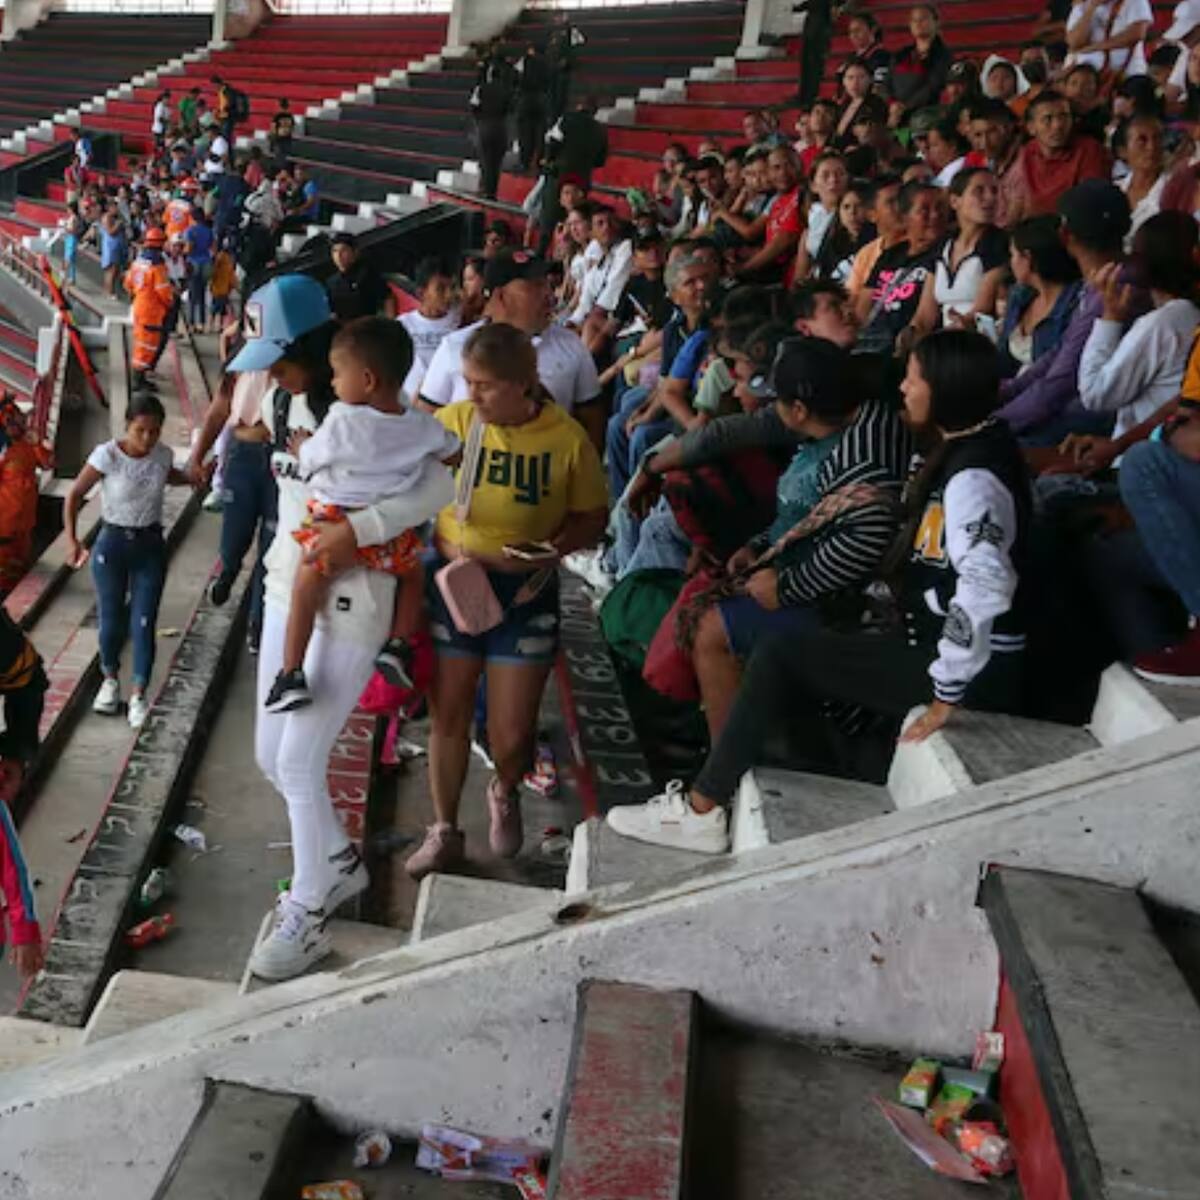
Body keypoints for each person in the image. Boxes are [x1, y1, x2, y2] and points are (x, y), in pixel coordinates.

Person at [606, 330, 1030, 852]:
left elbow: (986, 582)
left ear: (943, 392)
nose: (903, 391)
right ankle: (718, 792)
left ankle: (706, 806)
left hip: (963, 666)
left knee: (775, 647)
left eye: (914, 380)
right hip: (934, 645)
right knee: (781, 651)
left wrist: (947, 691)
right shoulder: (961, 449)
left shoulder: (972, 479)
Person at [225, 276, 452, 980]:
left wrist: (361, 531)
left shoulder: (375, 411)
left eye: (279, 355)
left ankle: (311, 910)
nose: (269, 370)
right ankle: (336, 865)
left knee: (299, 761)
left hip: (355, 593)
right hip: (288, 584)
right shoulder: (285, 396)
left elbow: (443, 484)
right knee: (271, 756)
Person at [406, 322, 607, 879]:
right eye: (468, 382)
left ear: (524, 383)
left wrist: (552, 550)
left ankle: (505, 784)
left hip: (526, 592)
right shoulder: (455, 425)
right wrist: (440, 539)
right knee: (447, 714)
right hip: (457, 585)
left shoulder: (565, 440)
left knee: (511, 732)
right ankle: (443, 827)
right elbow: (406, 483)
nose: (472, 394)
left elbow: (593, 516)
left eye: (486, 385)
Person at [265, 318, 460, 713]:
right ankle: (398, 645)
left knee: (306, 584)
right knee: (412, 574)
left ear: (367, 379)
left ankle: (290, 673)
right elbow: (452, 452)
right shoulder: (420, 424)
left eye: (338, 374)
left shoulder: (341, 419)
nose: (334, 383)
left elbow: (313, 462)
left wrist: (302, 446)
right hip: (388, 535)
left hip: (334, 524)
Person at [64, 393, 192, 729]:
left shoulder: (162, 456)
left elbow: (170, 475)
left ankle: (138, 693)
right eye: (140, 431)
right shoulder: (107, 456)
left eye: (154, 431)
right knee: (110, 617)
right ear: (127, 426)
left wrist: (193, 476)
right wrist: (73, 540)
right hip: (113, 544)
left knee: (145, 621)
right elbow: (75, 494)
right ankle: (109, 679)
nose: (147, 438)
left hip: (149, 545)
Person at [997, 179, 1138, 441]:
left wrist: (997, 425)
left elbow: (1061, 381)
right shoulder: (1101, 281)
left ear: (1065, 236)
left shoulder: (1115, 286)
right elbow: (1059, 354)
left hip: (1096, 419)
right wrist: (1008, 391)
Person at [419, 250, 601, 432]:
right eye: (535, 286)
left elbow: (593, 427)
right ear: (500, 296)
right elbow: (424, 422)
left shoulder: (572, 346)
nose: (549, 293)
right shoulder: (454, 347)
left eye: (547, 284)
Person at [1077, 210, 1200, 439]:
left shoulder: (1162, 324)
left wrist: (1110, 318)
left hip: (1145, 459)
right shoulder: (1185, 314)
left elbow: (1095, 394)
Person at [905, 167, 1007, 339]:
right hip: (946, 342)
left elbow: (981, 310)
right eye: (979, 191)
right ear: (954, 201)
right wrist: (912, 333)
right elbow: (924, 314)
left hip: (979, 344)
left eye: (994, 191)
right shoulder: (942, 245)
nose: (990, 198)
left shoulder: (1000, 244)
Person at [857, 181, 948, 354]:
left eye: (940, 207)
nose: (935, 215)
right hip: (871, 345)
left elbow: (923, 321)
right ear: (905, 217)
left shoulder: (945, 253)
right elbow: (863, 308)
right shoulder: (890, 255)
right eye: (924, 210)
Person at [1000, 89, 1108, 223]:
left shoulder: (1088, 149)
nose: (1058, 125)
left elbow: (1090, 204)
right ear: (1031, 128)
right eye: (1047, 119)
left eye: (1064, 116)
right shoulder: (1026, 152)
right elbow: (1013, 203)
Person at [999, 215, 1084, 377]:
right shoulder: (1019, 296)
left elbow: (1061, 373)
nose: (1011, 262)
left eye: (1013, 255)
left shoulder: (1077, 304)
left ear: (1028, 258)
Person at [0, 397, 53, 593]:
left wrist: (37, 443)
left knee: (19, 576)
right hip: (4, 530)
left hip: (24, 526)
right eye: (12, 421)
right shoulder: (3, 451)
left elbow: (48, 463)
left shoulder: (27, 445)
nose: (19, 424)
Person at [398, 257, 460, 404]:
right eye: (440, 289)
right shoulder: (403, 325)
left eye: (451, 287)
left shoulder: (460, 322)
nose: (449, 295)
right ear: (421, 293)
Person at [124, 228, 176, 382]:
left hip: (139, 307)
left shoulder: (137, 262)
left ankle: (140, 380)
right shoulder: (158, 267)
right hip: (152, 312)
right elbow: (164, 292)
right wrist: (170, 303)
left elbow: (127, 284)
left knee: (141, 343)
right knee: (147, 347)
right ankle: (138, 383)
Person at [889, 5, 953, 126]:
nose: (918, 23)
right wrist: (892, 104)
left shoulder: (943, 55)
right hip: (894, 114)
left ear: (936, 22)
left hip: (927, 115)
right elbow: (887, 83)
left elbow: (933, 86)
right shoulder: (901, 54)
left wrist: (904, 108)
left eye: (923, 19)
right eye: (914, 20)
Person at [1066, 0, 1152, 80]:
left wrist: (1095, 47)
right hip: (1088, 78)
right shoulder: (1082, 7)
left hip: (1127, 75)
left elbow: (1137, 34)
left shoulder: (1135, 2)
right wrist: (1091, 8)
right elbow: (1074, 43)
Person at [1118, 114, 1167, 247]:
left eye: (1157, 139)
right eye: (1142, 140)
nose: (1152, 147)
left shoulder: (1176, 191)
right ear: (1123, 151)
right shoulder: (1114, 190)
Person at [471, 58, 514, 201]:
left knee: (485, 161)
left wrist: (480, 118)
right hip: (500, 128)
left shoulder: (481, 88)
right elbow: (511, 108)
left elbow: (474, 106)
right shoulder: (506, 91)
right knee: (496, 162)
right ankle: (492, 192)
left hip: (484, 127)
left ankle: (484, 188)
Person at [325, 233, 393, 322]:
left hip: (367, 326)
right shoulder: (331, 282)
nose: (338, 255)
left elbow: (387, 298)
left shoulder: (367, 274)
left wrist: (390, 323)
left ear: (355, 252)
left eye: (344, 250)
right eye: (335, 251)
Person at [515, 44, 549, 172]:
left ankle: (525, 162)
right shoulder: (546, 62)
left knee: (525, 134)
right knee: (539, 132)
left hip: (526, 99)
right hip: (541, 99)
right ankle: (539, 160)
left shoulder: (525, 61)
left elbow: (517, 76)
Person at [184, 208, 214, 330]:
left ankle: (191, 323)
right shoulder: (208, 231)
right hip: (206, 263)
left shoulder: (190, 231)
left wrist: (184, 252)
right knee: (202, 294)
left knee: (192, 295)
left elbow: (189, 248)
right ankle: (201, 322)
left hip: (193, 263)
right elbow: (213, 248)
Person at [844, 10, 892, 80]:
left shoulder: (883, 57)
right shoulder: (850, 57)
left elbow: (880, 86)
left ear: (873, 30)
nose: (853, 35)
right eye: (851, 32)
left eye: (858, 30)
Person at [270, 98, 295, 166]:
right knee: (286, 158)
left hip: (279, 139)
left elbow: (273, 128)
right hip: (287, 138)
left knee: (279, 159)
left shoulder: (277, 116)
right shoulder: (290, 116)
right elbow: (292, 128)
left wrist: (273, 139)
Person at [152, 90, 170, 154]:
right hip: (159, 130)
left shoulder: (166, 107)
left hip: (164, 130)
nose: (168, 100)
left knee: (163, 147)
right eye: (166, 98)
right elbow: (159, 118)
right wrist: (167, 123)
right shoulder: (160, 106)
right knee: (159, 148)